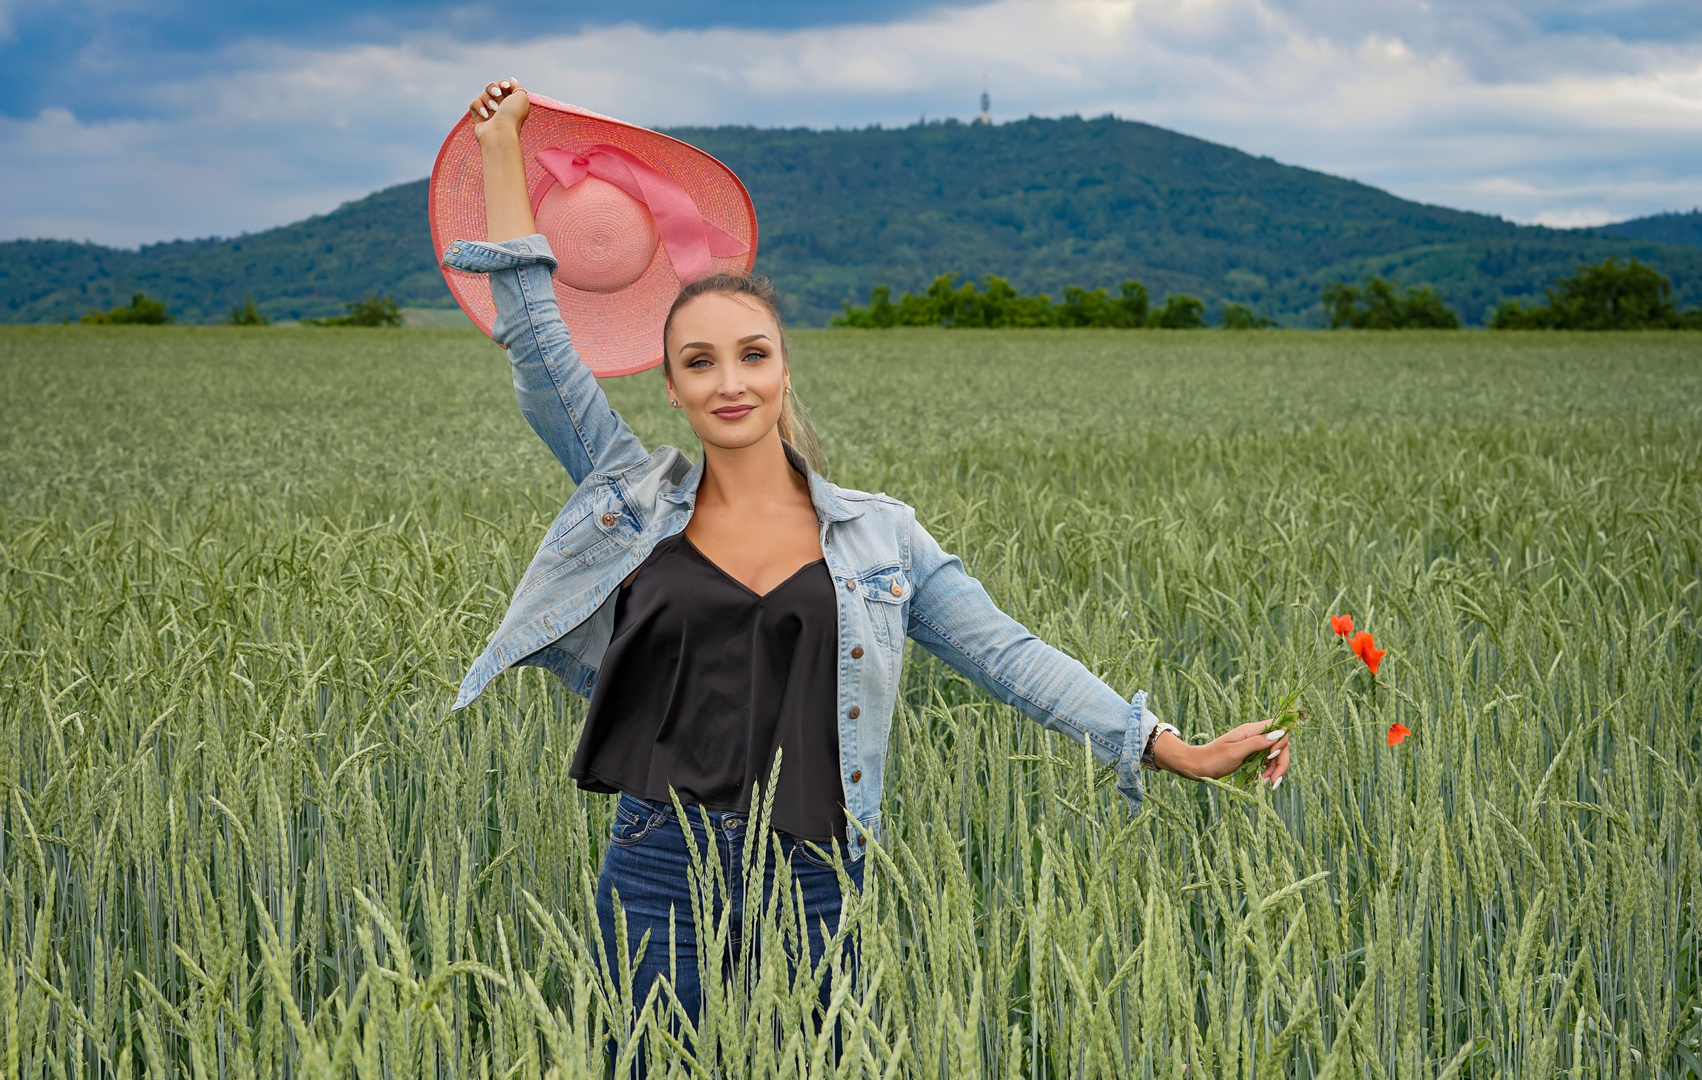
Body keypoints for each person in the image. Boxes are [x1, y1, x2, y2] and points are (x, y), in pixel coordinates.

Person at [441, 76, 1293, 1056]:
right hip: (661, 867)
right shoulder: (630, 493)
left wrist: (1168, 747)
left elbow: (1011, 656)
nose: (730, 382)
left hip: (815, 876)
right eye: (701, 362)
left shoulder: (880, 540)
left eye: (751, 355)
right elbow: (540, 352)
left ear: (781, 369)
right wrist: (503, 155)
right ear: (670, 385)